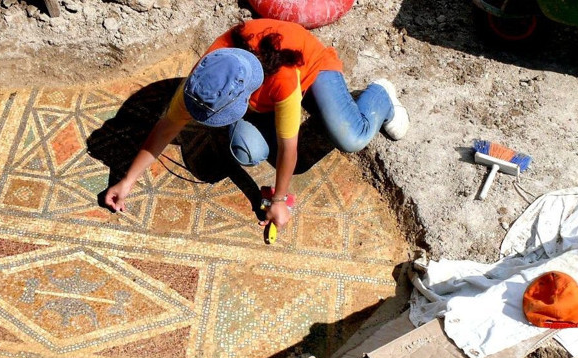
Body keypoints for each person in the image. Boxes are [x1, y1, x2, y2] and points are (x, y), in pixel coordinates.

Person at [103, 18, 409, 229]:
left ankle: (379, 95)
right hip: (260, 90)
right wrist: (126, 181)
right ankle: (317, 109)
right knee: (246, 150)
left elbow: (290, 147)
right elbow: (166, 127)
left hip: (311, 67)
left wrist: (279, 200)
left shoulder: (284, 79)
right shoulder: (209, 76)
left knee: (351, 138)